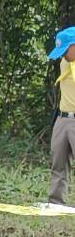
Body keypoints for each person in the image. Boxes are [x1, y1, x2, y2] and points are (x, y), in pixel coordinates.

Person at [48, 26, 75, 206]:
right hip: (62, 119)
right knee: (58, 163)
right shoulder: (64, 62)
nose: (63, 55)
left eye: (65, 50)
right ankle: (55, 204)